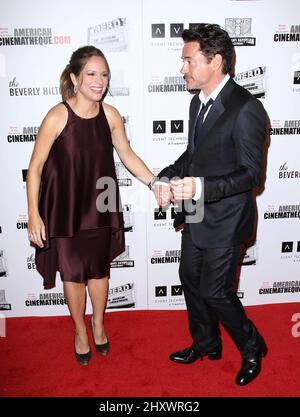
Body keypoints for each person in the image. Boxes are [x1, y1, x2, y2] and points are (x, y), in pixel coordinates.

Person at [26, 45, 155, 366]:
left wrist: (155, 182)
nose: (100, 81)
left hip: (100, 203)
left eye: (105, 75)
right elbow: (36, 168)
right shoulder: (58, 115)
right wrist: (33, 214)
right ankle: (80, 330)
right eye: (92, 74)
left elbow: (126, 155)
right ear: (75, 77)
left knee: (99, 272)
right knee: (72, 274)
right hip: (65, 208)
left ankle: (98, 323)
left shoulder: (110, 115)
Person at [154, 24, 267, 386]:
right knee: (189, 277)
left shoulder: (247, 108)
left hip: (228, 220)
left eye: (188, 60)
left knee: (216, 291)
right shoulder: (196, 102)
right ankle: (206, 343)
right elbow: (193, 155)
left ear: (214, 61)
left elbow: (252, 175)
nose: (182, 68)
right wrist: (165, 178)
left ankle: (252, 345)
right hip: (197, 215)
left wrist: (200, 187)